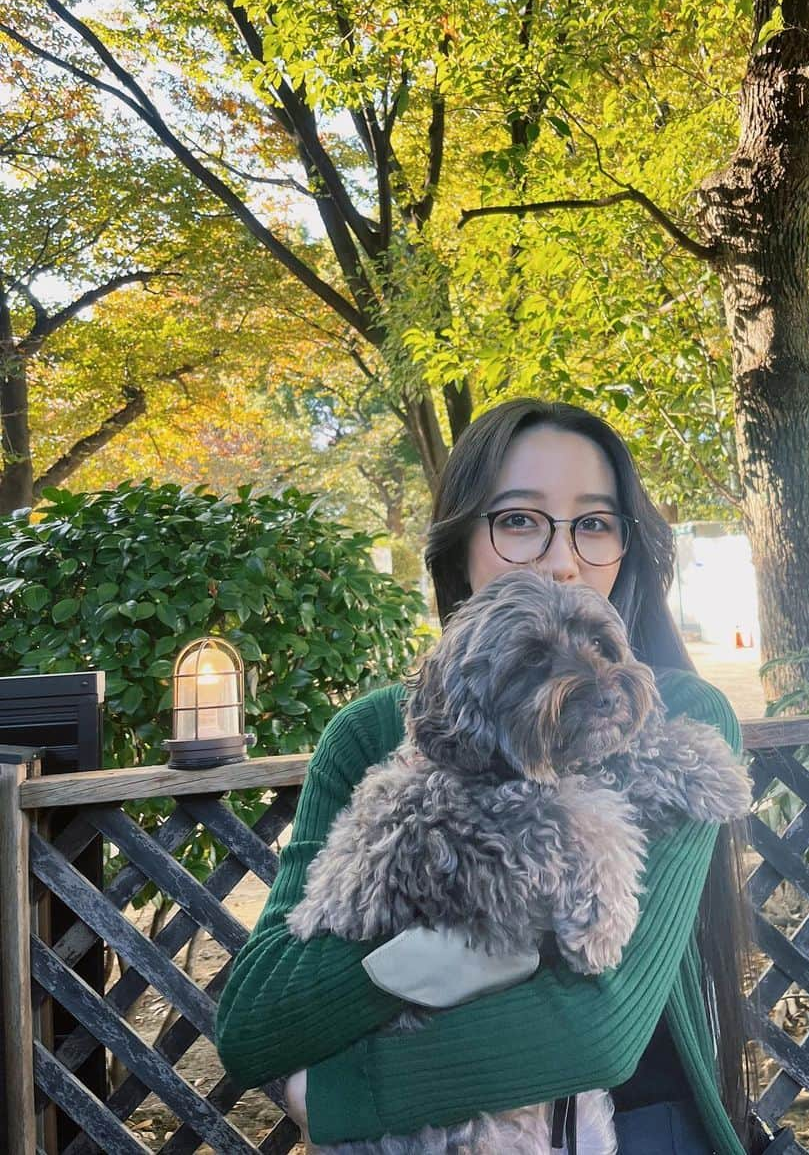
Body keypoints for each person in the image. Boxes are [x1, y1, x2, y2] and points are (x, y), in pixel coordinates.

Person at [215, 399, 758, 1154]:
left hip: (640, 1123)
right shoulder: (372, 732)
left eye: (595, 525)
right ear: (460, 542)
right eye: (518, 520)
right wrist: (409, 956)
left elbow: (600, 1030)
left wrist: (347, 1093)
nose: (562, 559)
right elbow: (258, 1020)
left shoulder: (681, 718)